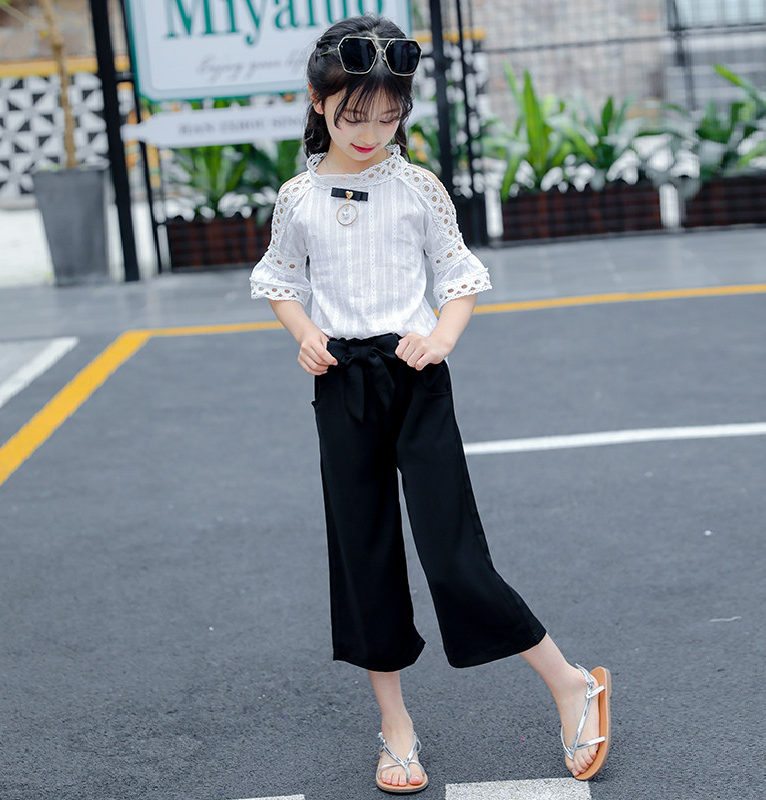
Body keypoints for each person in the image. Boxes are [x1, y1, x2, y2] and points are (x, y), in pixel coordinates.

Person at [250, 13, 611, 794]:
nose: (371, 133)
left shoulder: (418, 188)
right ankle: (396, 727)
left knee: (453, 554)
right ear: (317, 101)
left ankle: (571, 683)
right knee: (364, 556)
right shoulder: (298, 198)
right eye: (354, 116)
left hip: (415, 380)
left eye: (388, 118)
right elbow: (279, 278)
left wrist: (442, 337)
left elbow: (458, 273)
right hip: (343, 382)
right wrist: (305, 335)